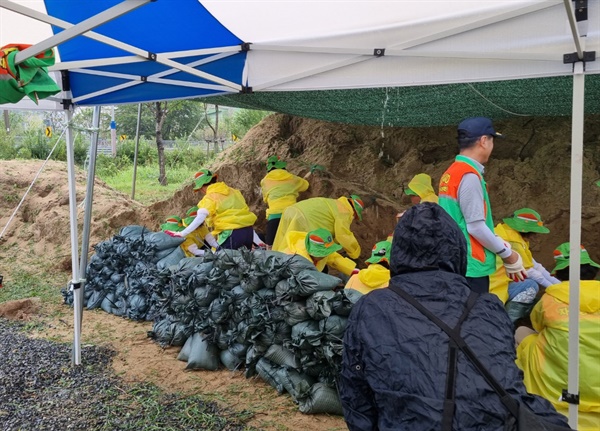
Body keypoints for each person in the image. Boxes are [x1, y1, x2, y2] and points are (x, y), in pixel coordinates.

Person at [339, 203, 569, 431]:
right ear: (458, 250)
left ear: (398, 251)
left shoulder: (372, 308)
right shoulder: (489, 307)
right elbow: (507, 376)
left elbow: (356, 396)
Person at [516, 243, 600, 430]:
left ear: (560, 274)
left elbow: (537, 325)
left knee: (522, 333)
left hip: (559, 379)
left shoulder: (551, 298)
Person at [438, 116, 526, 293]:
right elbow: (475, 227)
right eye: (492, 141)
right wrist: (508, 256)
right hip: (471, 264)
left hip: (454, 259)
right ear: (484, 141)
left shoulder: (451, 173)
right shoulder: (469, 176)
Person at [489, 208, 559, 323]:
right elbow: (529, 271)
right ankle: (507, 324)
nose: (535, 236)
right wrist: (554, 289)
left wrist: (559, 286)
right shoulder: (513, 242)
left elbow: (535, 265)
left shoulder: (506, 233)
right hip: (494, 287)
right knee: (530, 286)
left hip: (490, 282)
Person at [167, 169, 257, 250]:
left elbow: (200, 218)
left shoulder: (210, 197)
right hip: (248, 232)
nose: (201, 192)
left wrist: (181, 233)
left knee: (224, 264)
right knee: (244, 263)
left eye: (200, 189)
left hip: (232, 233)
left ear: (202, 186)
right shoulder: (234, 191)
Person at [272, 195, 364, 259]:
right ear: (355, 211)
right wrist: (355, 252)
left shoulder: (333, 203)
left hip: (291, 210)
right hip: (304, 218)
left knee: (284, 240)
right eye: (355, 217)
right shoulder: (345, 211)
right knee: (301, 249)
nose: (353, 219)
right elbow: (343, 235)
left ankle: (272, 260)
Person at [260, 155, 310, 246]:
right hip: (292, 214)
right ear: (283, 166)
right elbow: (305, 186)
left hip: (274, 215)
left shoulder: (265, 181)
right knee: (294, 244)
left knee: (270, 246)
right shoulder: (292, 178)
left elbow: (265, 199)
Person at [280, 228, 357, 276]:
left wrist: (353, 270)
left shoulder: (312, 245)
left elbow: (334, 258)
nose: (325, 256)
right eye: (323, 253)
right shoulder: (296, 259)